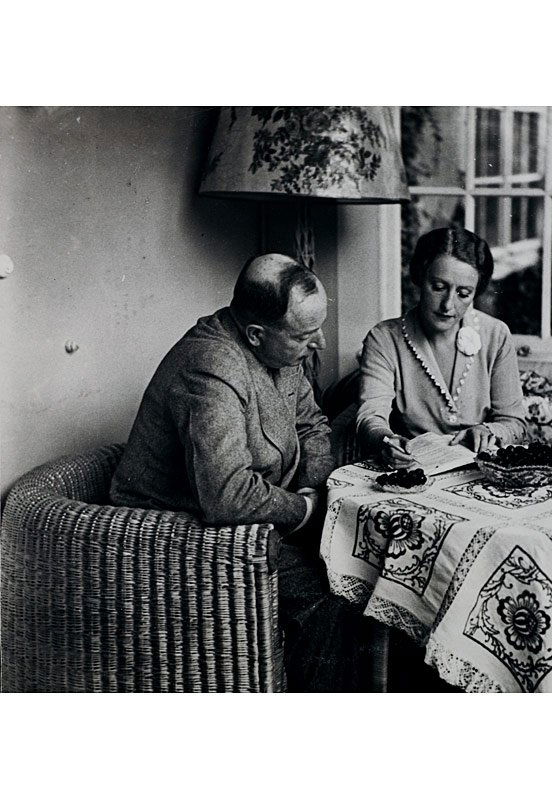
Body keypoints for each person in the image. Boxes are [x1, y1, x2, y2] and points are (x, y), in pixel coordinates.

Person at [110, 253, 363, 691]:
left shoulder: (279, 349)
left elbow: (313, 425)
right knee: (332, 596)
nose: (320, 341)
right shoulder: (210, 365)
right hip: (177, 535)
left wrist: (309, 483)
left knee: (357, 569)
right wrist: (304, 510)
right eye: (306, 334)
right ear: (255, 334)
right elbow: (226, 494)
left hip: (255, 520)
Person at [357, 227, 527, 468]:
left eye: (463, 294)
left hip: (479, 471)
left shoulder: (495, 335)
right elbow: (370, 416)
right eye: (438, 287)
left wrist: (488, 430)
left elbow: (515, 423)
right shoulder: (384, 339)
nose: (448, 305)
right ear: (418, 277)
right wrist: (387, 441)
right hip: (413, 470)